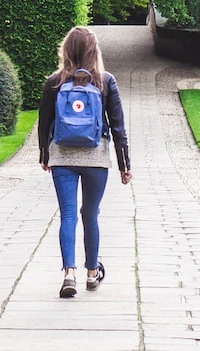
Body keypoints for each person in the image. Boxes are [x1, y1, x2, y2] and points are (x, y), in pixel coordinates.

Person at [38, 26, 132, 299]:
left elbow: (43, 123)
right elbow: (118, 127)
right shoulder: (105, 81)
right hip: (96, 157)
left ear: (66, 49)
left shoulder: (55, 82)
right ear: (94, 50)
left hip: (62, 155)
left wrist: (45, 155)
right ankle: (92, 273)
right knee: (90, 214)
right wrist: (124, 164)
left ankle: (69, 273)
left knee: (67, 214)